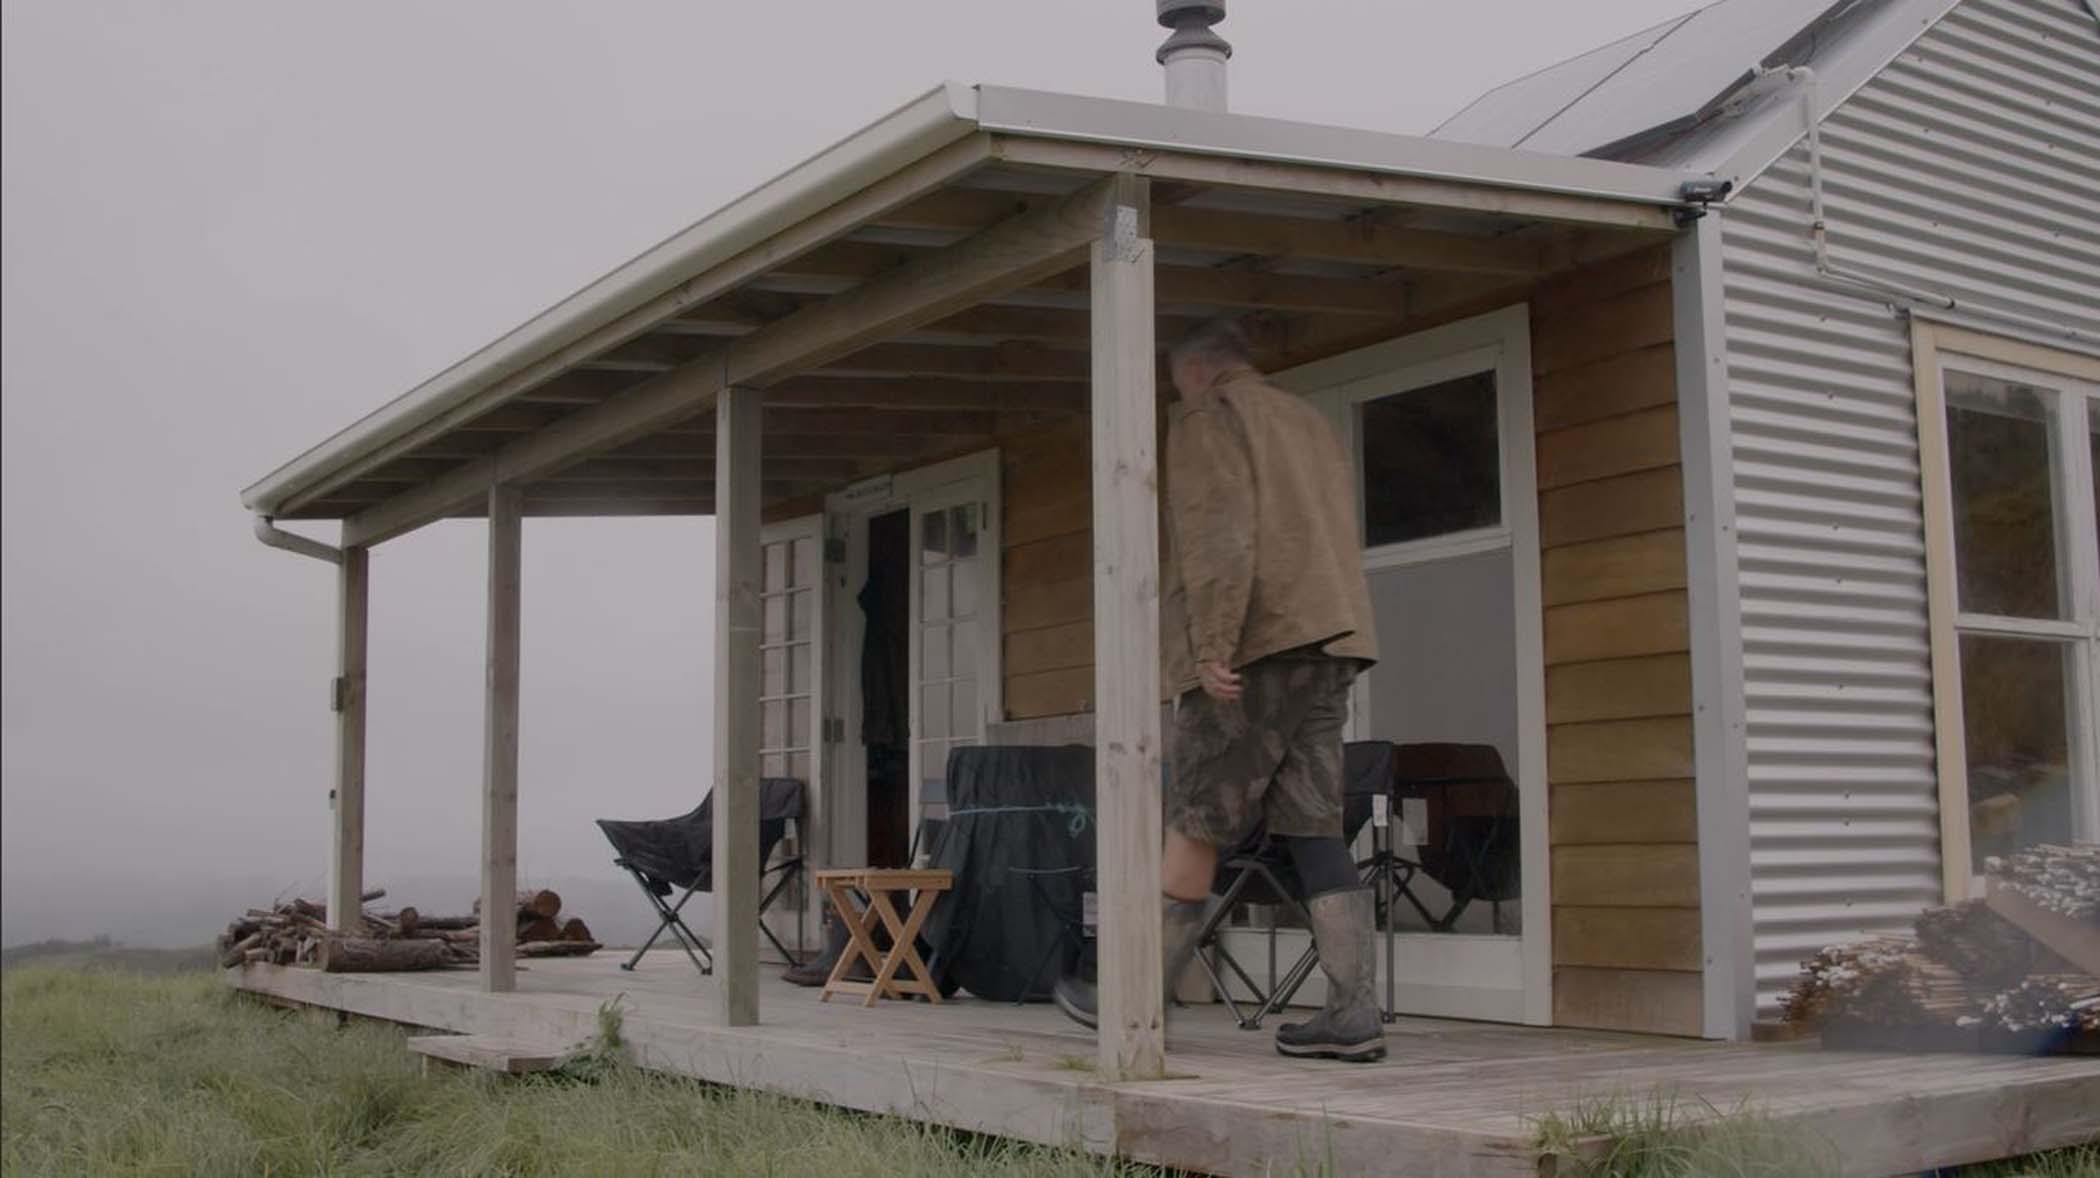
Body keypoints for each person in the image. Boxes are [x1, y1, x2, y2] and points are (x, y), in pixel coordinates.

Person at [1053, 318, 1385, 1063]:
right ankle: (1353, 1011)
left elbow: (1219, 538)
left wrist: (1212, 646)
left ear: (1195, 370)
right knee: (1314, 825)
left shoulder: (1211, 417)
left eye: (1176, 381)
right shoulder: (1306, 419)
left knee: (1197, 815)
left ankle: (1133, 1001)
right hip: (1331, 639)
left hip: (1255, 646)